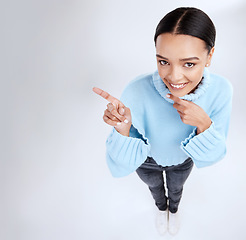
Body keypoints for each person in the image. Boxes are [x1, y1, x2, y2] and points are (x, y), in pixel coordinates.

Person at [93, 7, 233, 236]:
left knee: (177, 189)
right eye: (164, 62)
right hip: (146, 160)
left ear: (209, 56)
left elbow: (215, 155)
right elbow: (119, 164)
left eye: (189, 64)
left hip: (182, 161)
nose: (174, 77)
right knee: (155, 188)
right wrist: (123, 129)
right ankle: (161, 209)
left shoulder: (221, 90)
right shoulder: (136, 89)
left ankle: (174, 210)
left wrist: (203, 124)